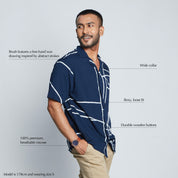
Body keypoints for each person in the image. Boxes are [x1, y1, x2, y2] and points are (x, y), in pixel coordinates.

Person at [47, 9, 116, 178]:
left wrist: (109, 140)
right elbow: (53, 106)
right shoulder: (66, 65)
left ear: (101, 30)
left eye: (90, 25)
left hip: (106, 144)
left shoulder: (104, 68)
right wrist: (75, 141)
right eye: (80, 26)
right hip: (87, 144)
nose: (85, 31)